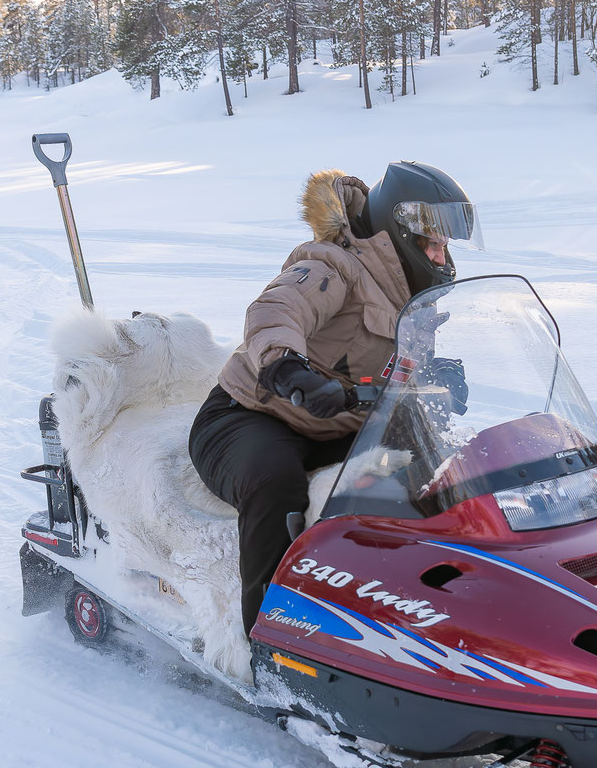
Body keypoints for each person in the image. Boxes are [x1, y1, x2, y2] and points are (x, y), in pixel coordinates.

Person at [188, 161, 484, 636]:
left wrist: (433, 378)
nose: (441, 250)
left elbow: (388, 369)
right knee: (276, 484)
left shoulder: (412, 293)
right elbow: (277, 309)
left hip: (340, 425)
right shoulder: (333, 263)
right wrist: (287, 365)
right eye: (434, 236)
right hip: (250, 415)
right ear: (400, 228)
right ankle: (266, 640)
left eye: (447, 240)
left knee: (437, 471)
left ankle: (436, 611)